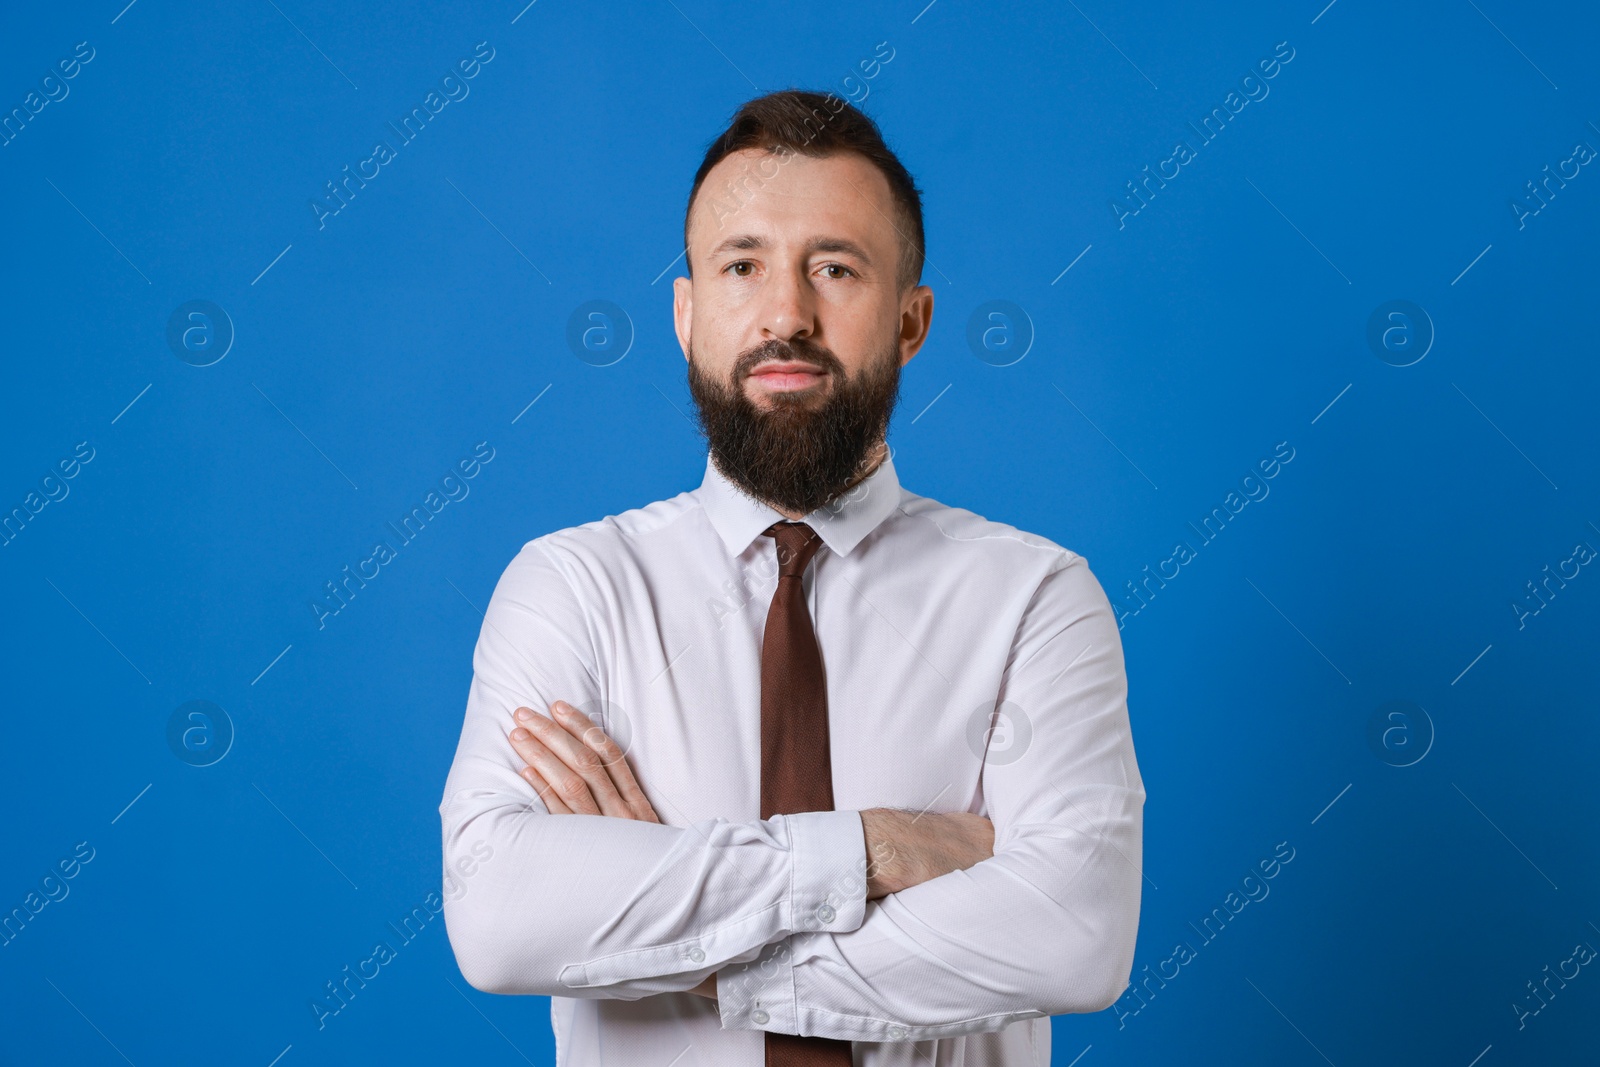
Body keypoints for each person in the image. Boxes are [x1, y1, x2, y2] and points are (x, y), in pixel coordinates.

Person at [439, 88, 1145, 1066]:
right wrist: (873, 852)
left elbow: (1074, 938)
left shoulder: (1033, 598)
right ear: (686, 316)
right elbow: (500, 914)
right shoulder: (573, 588)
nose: (786, 314)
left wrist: (669, 921)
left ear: (910, 319)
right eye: (742, 265)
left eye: (835, 268)